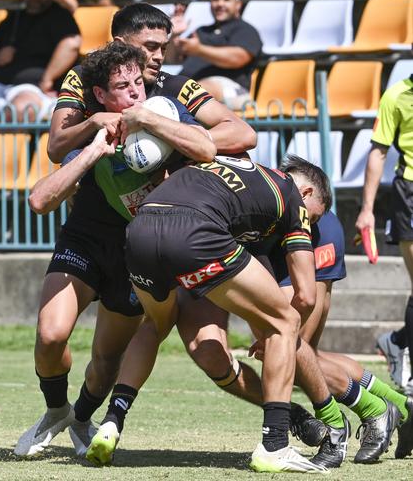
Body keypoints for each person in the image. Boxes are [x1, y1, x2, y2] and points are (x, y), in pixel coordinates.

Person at [15, 41, 216, 457]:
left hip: (137, 250)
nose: (136, 93)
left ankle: (83, 419)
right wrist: (92, 147)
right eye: (123, 87)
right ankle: (56, 410)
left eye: (138, 83)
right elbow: (39, 201)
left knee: (106, 360)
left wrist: (161, 136)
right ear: (101, 97)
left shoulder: (163, 114)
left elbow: (210, 147)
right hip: (86, 240)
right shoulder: (91, 126)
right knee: (51, 335)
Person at [87, 156, 334, 473]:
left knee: (154, 325)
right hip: (195, 231)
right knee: (285, 321)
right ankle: (274, 445)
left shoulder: (225, 169)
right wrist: (275, 334)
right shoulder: (291, 193)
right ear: (309, 193)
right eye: (312, 220)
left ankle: (112, 422)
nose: (309, 226)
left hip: (140, 231)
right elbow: (306, 295)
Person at [176, 159, 410, 464]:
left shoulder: (315, 225)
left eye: (313, 215)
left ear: (306, 193)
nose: (309, 220)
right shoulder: (261, 196)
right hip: (262, 244)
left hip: (310, 250)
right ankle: (399, 406)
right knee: (295, 350)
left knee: (292, 348)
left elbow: (304, 303)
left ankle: (373, 410)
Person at [48, 2, 256, 165]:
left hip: (158, 204)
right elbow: (55, 149)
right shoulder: (82, 77)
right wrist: (93, 122)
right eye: (150, 47)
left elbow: (244, 133)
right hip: (95, 202)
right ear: (121, 44)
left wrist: (170, 138)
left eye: (163, 48)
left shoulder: (176, 86)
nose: (159, 57)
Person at [356, 72, 413, 397]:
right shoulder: (396, 96)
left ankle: (397, 342)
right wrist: (366, 210)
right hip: (409, 195)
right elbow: (377, 153)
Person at [0, 0, 81, 122]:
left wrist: (47, 79)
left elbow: (71, 44)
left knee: (21, 109)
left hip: (33, 88)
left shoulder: (60, 16)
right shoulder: (14, 17)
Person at [168, 0, 262, 111]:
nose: (220, 4)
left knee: (198, 89)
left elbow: (238, 58)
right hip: (192, 91)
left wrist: (199, 50)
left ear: (238, 5)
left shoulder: (245, 30)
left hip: (233, 91)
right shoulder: (202, 31)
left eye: (226, 0)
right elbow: (173, 59)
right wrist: (173, 35)